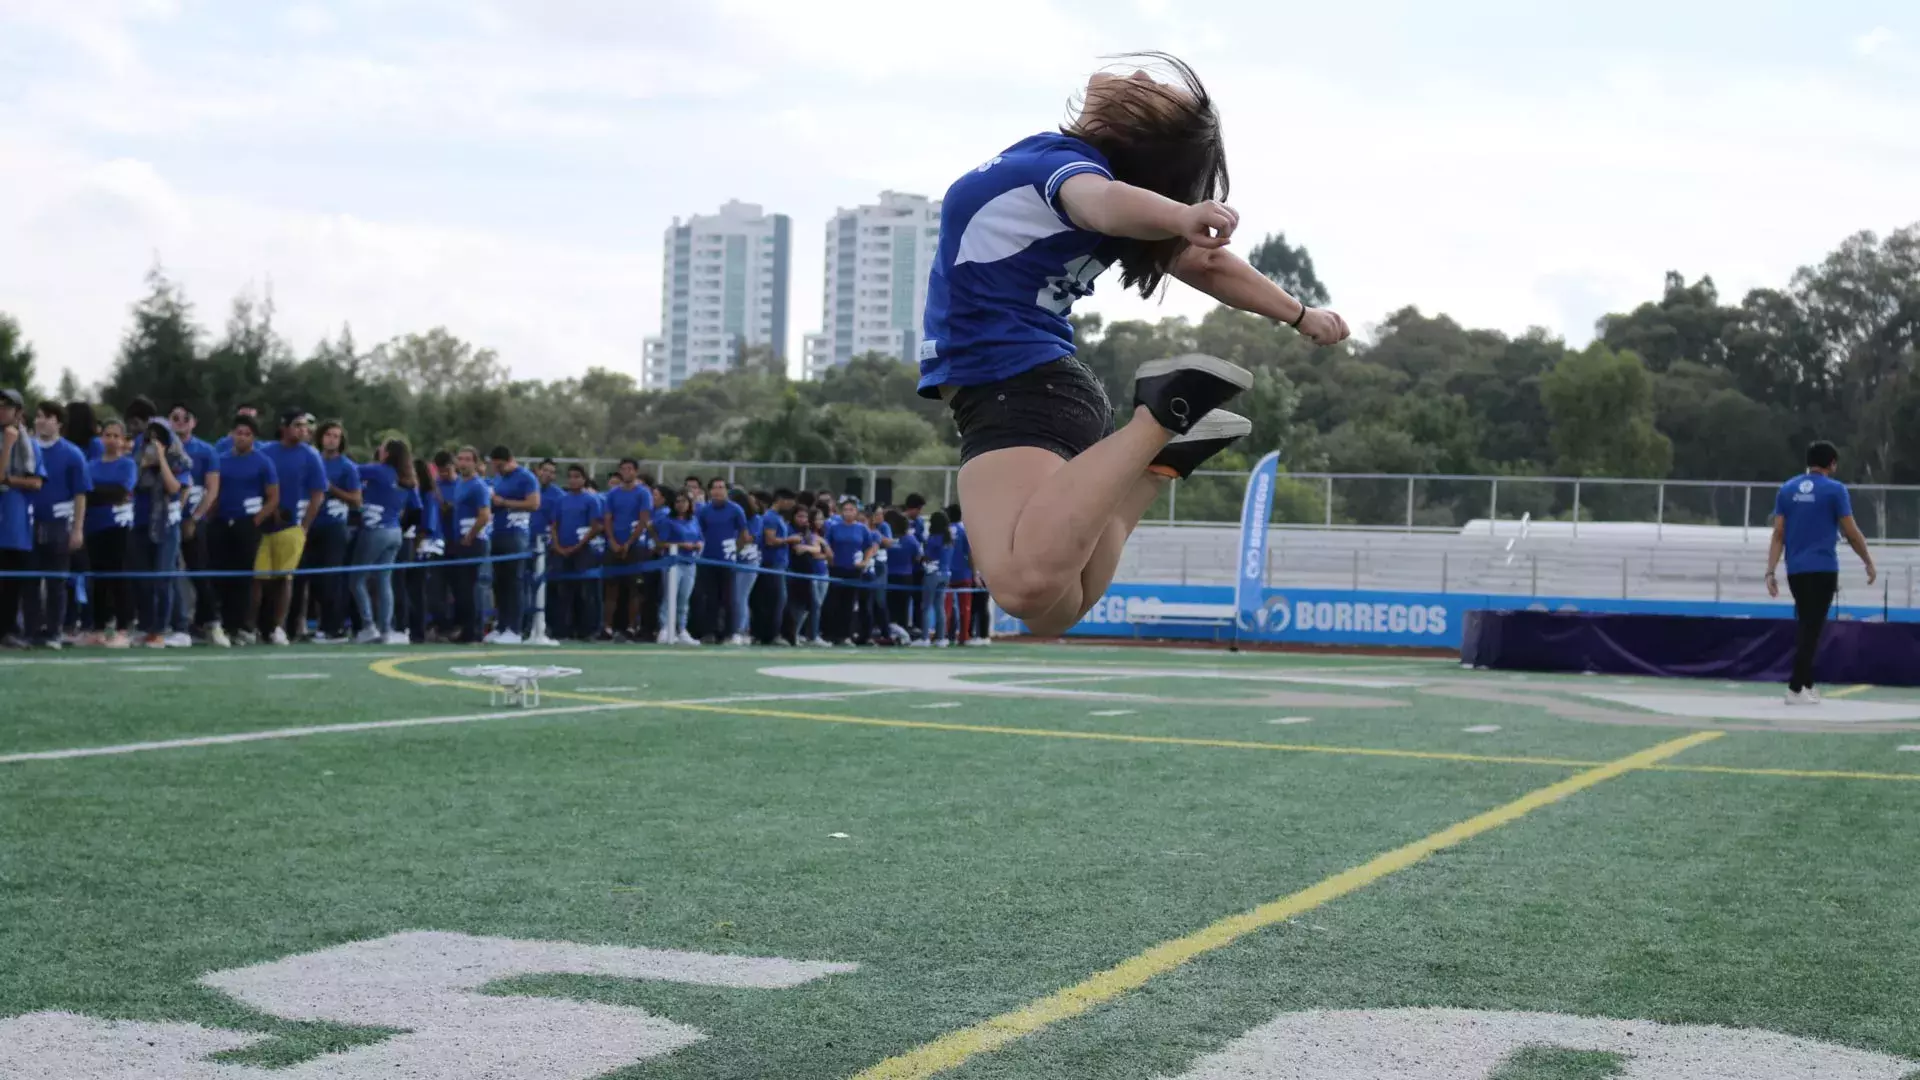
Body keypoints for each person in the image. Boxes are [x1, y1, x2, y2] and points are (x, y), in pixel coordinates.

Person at [919, 55, 1349, 637]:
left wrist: (1181, 213)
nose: (1141, 77)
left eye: (1155, 93)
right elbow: (1207, 264)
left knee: (1025, 589)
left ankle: (1158, 417)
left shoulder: (1071, 170)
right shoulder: (1072, 171)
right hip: (1038, 387)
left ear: (1137, 135)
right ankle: (1154, 462)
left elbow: (1104, 202)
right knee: (1054, 610)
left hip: (1012, 384)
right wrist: (1301, 314)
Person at [1767, 441, 1877, 705]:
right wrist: (1868, 561)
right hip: (1823, 568)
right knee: (1812, 628)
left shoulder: (1787, 489)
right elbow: (1850, 532)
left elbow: (1778, 533)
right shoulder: (1835, 490)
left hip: (1796, 570)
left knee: (1806, 623)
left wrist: (1770, 571)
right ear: (1832, 464)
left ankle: (1806, 684)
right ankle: (1794, 689)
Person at [255, 410, 326, 646]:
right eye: (297, 425)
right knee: (258, 577)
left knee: (284, 578)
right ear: (284, 427)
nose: (303, 430)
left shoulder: (310, 455)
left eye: (305, 426)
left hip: (291, 526)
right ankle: (254, 626)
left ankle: (277, 627)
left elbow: (318, 494)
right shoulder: (266, 451)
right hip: (264, 525)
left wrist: (304, 526)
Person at [208, 414, 278, 647]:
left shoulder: (263, 462)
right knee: (218, 574)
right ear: (232, 434)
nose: (242, 438)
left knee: (243, 578)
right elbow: (213, 492)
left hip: (246, 526)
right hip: (220, 524)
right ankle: (216, 624)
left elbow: (273, 497)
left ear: (254, 437)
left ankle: (239, 627)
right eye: (238, 433)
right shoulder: (220, 460)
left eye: (247, 434)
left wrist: (254, 521)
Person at [24, 402, 88, 649]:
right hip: (28, 523)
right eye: (38, 416)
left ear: (59, 422)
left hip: (59, 524)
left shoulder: (72, 454)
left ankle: (54, 632)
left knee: (56, 582)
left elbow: (81, 494)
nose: (41, 421)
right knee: (28, 581)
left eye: (48, 417)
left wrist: (77, 528)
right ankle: (31, 631)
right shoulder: (25, 449)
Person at [349, 438, 418, 645]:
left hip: (375, 530)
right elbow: (416, 507)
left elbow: (351, 470)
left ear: (387, 453)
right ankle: (386, 629)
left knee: (357, 579)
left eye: (382, 447)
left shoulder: (379, 470)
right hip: (395, 531)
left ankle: (369, 626)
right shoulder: (408, 478)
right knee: (384, 580)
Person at [128, 419, 190, 648]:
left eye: (159, 438)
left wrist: (161, 459)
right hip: (141, 524)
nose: (153, 443)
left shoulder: (178, 461)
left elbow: (174, 487)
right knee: (142, 580)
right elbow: (129, 487)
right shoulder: (137, 461)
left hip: (166, 526)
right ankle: (146, 626)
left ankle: (163, 629)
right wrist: (142, 464)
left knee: (163, 578)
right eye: (149, 438)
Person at [169, 403, 221, 642]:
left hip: (192, 519)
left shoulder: (205, 451)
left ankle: (210, 622)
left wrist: (195, 518)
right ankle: (170, 623)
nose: (180, 421)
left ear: (194, 421)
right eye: (175, 417)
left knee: (199, 571)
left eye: (185, 417)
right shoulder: (161, 448)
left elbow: (212, 490)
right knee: (164, 573)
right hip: (165, 520)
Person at [82, 420, 137, 648]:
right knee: (97, 577)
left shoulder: (128, 465)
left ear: (123, 440)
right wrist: (102, 494)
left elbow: (122, 491)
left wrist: (99, 493)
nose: (111, 440)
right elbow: (85, 492)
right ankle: (98, 626)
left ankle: (124, 627)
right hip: (94, 526)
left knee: (118, 575)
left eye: (116, 436)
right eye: (107, 435)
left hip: (117, 526)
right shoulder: (91, 465)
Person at [306, 421, 362, 643]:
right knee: (313, 579)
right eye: (328, 435)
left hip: (334, 527)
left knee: (332, 578)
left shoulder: (347, 467)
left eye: (336, 436)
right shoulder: (312, 460)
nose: (331, 439)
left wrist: (332, 488)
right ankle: (320, 624)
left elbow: (357, 500)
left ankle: (335, 628)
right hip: (311, 524)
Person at [0, 389, 47, 644]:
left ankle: (8, 630)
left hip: (15, 522)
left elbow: (37, 482)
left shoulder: (29, 445)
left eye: (7, 407)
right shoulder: (8, 440)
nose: (1, 411)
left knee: (11, 581)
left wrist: (10, 479)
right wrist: (6, 445)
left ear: (18, 412)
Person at [485, 445, 539, 645]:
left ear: (508, 460)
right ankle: (501, 626)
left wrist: (504, 502)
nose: (496, 470)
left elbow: (534, 504)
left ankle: (515, 629)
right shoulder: (498, 479)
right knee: (499, 582)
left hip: (516, 535)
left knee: (514, 582)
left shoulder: (526, 477)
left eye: (498, 465)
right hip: (497, 533)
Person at [547, 464, 603, 641]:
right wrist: (557, 546)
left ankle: (586, 630)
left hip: (583, 551)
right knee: (562, 592)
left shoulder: (591, 500)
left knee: (585, 592)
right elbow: (554, 525)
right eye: (570, 476)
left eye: (577, 476)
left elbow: (596, 526)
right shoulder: (561, 500)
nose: (573, 480)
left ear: (584, 479)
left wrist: (577, 546)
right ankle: (562, 629)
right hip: (561, 551)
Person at [691, 478, 751, 643]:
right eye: (715, 488)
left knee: (728, 598)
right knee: (710, 598)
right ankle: (709, 632)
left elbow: (744, 534)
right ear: (710, 491)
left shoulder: (736, 509)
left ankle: (730, 633)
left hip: (727, 561)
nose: (718, 491)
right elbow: (698, 532)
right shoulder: (703, 511)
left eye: (721, 487)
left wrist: (734, 550)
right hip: (707, 560)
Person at [446, 447, 494, 644]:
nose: (463, 463)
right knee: (461, 588)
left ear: (475, 463)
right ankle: (466, 628)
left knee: (471, 588)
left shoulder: (478, 486)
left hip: (474, 542)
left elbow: (485, 515)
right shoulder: (459, 483)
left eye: (467, 459)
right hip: (460, 540)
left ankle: (474, 631)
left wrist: (470, 535)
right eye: (460, 459)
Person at [602, 458, 653, 641]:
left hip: (636, 547)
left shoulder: (643, 493)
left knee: (635, 589)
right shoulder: (612, 494)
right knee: (610, 588)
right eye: (623, 469)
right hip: (613, 545)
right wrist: (613, 542)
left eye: (630, 469)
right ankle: (607, 627)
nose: (626, 472)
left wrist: (629, 543)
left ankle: (632, 627)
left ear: (636, 471)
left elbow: (644, 519)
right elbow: (607, 518)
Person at [823, 498, 879, 646]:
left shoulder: (862, 529)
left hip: (854, 570)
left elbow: (869, 547)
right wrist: (830, 558)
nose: (848, 513)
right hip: (836, 569)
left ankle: (844, 635)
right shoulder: (834, 528)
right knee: (832, 602)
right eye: (845, 510)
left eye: (851, 510)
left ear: (856, 512)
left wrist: (865, 562)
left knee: (848, 603)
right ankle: (829, 634)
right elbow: (826, 544)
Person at [654, 490, 703, 646]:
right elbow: (661, 543)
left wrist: (699, 545)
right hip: (673, 563)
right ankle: (665, 628)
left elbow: (700, 537)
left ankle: (682, 629)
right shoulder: (668, 521)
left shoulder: (694, 520)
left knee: (684, 598)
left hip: (690, 563)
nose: (681, 505)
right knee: (669, 595)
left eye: (684, 501)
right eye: (678, 502)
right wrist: (681, 545)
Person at [404, 459, 445, 644]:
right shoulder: (417, 493)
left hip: (426, 548)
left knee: (418, 591)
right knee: (413, 590)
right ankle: (414, 629)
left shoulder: (428, 495)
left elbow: (427, 526)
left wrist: (415, 547)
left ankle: (419, 632)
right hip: (417, 546)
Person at [753, 489, 796, 645]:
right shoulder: (770, 518)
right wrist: (789, 540)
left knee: (776, 600)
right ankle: (772, 635)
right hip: (772, 564)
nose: (792, 505)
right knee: (776, 600)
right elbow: (770, 540)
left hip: (780, 564)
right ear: (781, 500)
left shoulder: (778, 517)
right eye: (790, 501)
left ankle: (769, 633)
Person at [784, 504, 825, 646]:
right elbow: (796, 549)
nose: (803, 519)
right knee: (795, 605)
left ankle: (800, 634)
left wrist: (806, 547)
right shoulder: (789, 529)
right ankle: (792, 635)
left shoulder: (807, 532)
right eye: (799, 516)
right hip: (793, 572)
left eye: (805, 516)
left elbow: (816, 548)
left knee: (811, 604)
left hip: (808, 572)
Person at [919, 511, 955, 647]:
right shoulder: (949, 539)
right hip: (946, 573)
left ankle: (925, 638)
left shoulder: (934, 538)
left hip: (932, 572)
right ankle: (941, 638)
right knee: (939, 607)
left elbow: (927, 556)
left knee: (926, 606)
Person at [886, 508, 920, 640]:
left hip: (890, 575)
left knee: (891, 605)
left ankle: (893, 631)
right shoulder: (911, 540)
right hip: (906, 576)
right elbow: (917, 557)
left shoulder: (888, 540)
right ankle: (903, 630)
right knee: (903, 607)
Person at [947, 502, 974, 646]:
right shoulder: (965, 531)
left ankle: (945, 635)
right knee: (965, 607)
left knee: (946, 607)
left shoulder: (944, 530)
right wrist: (974, 573)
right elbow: (970, 553)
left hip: (948, 573)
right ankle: (964, 636)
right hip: (963, 573)